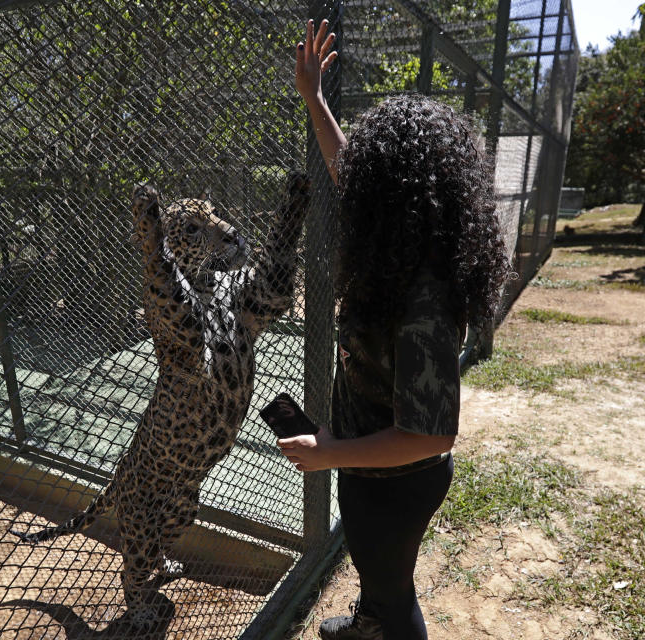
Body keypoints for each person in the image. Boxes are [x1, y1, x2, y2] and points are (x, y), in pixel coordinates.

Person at [278, 19, 511, 640]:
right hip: (372, 472)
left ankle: (383, 623)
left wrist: (329, 454)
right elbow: (343, 169)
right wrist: (315, 101)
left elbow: (429, 438)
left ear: (390, 193)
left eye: (367, 180)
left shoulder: (424, 303)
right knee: (382, 581)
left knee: (396, 593)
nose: (352, 187)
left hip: (396, 481)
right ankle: (369, 621)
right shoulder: (406, 251)